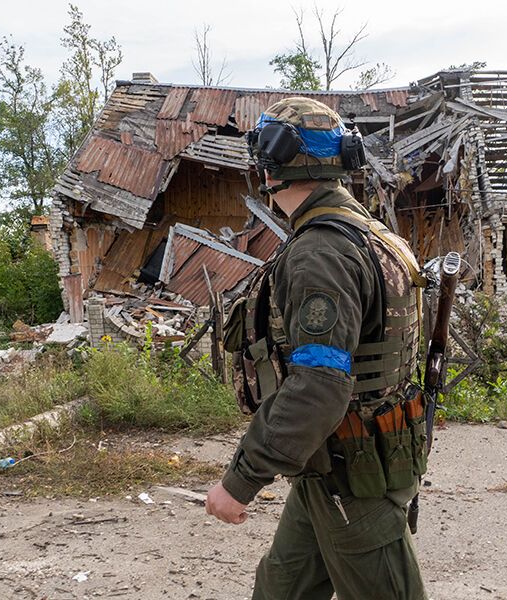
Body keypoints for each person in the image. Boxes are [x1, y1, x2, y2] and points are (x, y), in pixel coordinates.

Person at [205, 97, 428, 600]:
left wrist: (240, 480)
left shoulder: (320, 253)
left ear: (270, 168)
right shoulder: (375, 236)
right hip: (329, 466)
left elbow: (319, 386)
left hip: (353, 478)